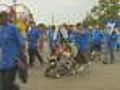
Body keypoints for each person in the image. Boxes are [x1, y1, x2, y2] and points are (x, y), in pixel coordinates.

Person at [0, 11, 27, 90]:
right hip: (3, 63)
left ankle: (16, 88)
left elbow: (22, 43)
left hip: (13, 61)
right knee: (2, 86)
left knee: (7, 84)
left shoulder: (13, 28)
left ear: (5, 18)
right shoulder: (0, 30)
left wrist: (22, 57)